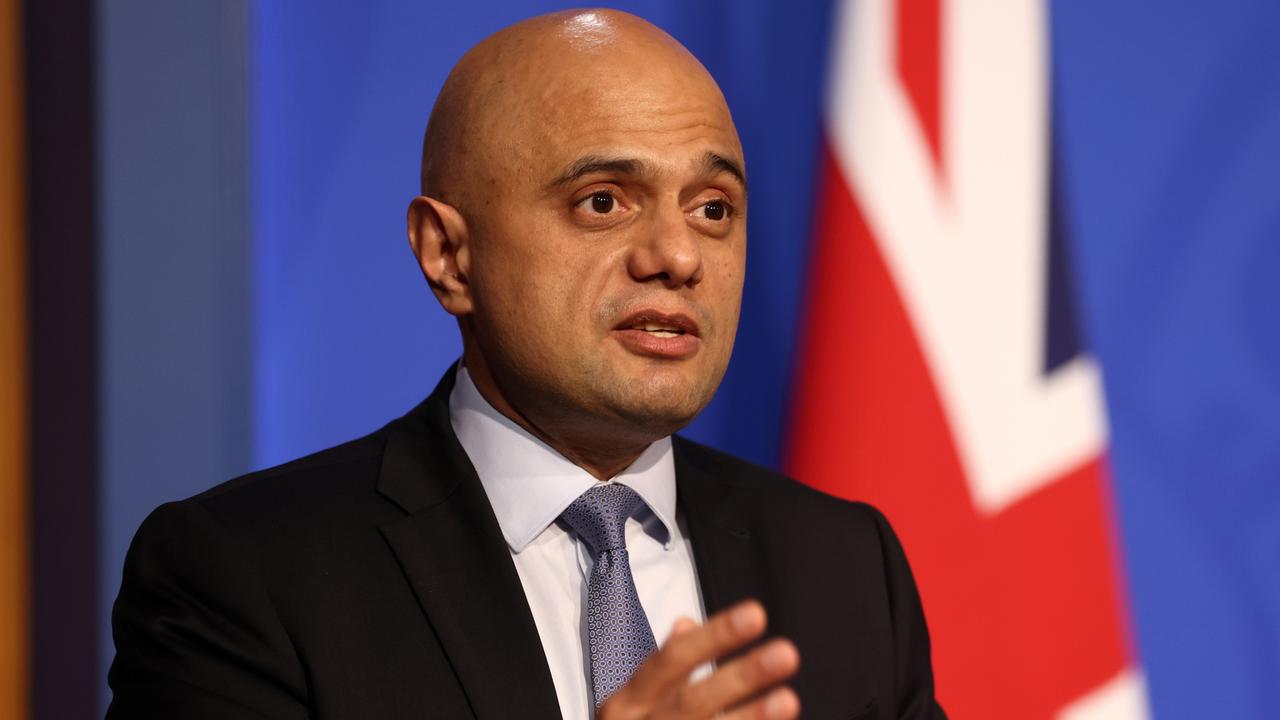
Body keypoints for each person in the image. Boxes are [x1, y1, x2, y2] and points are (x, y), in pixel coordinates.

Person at [107, 9, 945, 720]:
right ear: (448, 255)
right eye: (604, 202)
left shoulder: (846, 567)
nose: (678, 256)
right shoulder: (247, 574)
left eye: (713, 208)